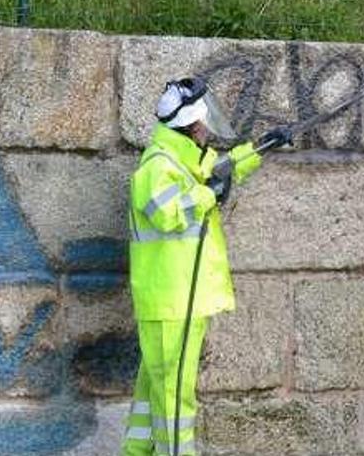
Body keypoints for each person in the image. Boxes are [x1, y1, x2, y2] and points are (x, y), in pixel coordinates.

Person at [123, 77, 291, 455]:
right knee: (174, 398)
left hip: (178, 300)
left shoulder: (184, 158)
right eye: (203, 122)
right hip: (171, 302)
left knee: (154, 390)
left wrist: (264, 147)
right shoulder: (158, 166)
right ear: (191, 125)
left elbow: (222, 167)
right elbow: (165, 212)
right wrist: (205, 196)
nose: (206, 129)